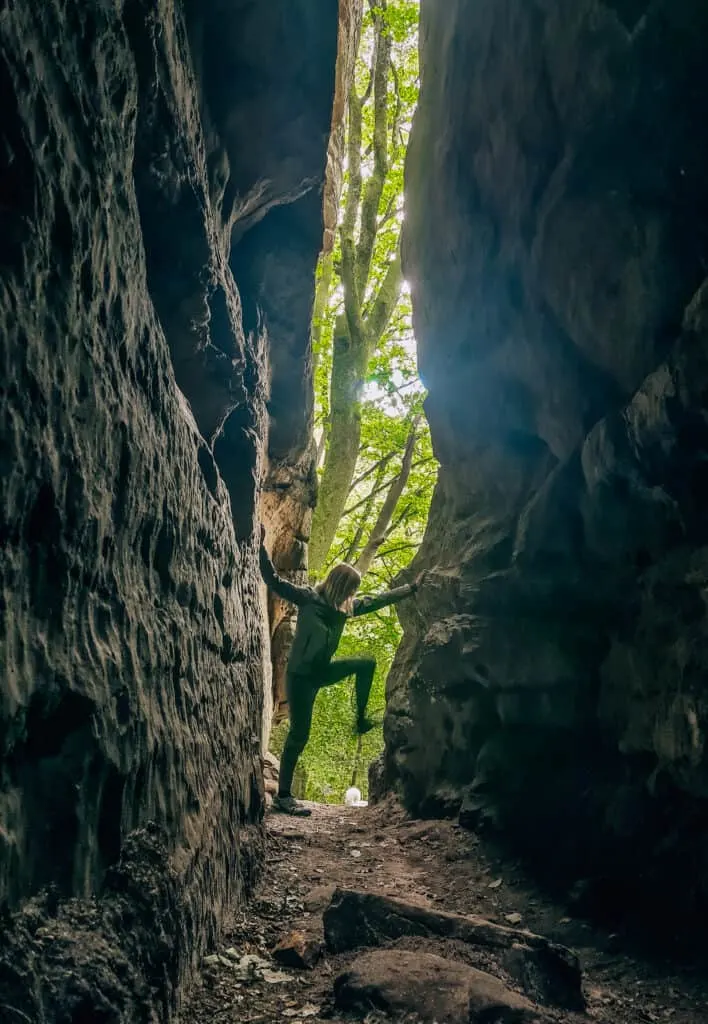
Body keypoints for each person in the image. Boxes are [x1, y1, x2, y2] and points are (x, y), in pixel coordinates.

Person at [259, 526, 423, 816]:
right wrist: (259, 544)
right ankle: (283, 797)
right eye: (351, 590)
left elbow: (379, 599)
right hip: (300, 678)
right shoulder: (308, 598)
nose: (354, 595)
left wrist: (411, 588)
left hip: (322, 671)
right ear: (340, 586)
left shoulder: (345, 609)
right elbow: (273, 580)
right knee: (300, 734)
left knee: (366, 663)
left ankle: (359, 720)